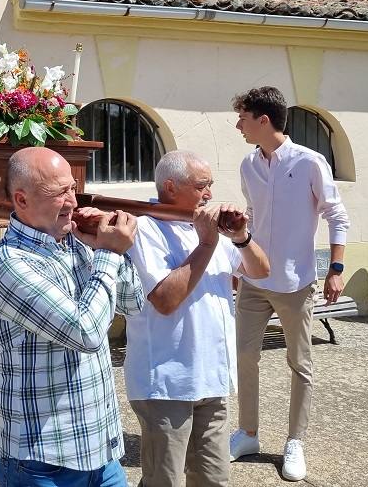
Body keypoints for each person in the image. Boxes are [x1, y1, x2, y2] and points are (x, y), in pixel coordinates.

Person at [0, 147, 144, 487]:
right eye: (59, 193)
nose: (72, 201)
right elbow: (85, 332)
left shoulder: (77, 242)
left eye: (72, 188)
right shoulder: (11, 264)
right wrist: (108, 252)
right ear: (22, 200)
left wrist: (105, 246)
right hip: (43, 462)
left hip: (99, 451)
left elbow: (134, 302)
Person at [125, 151, 269, 487]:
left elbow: (261, 270)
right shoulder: (145, 229)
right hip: (166, 383)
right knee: (165, 481)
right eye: (202, 186)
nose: (209, 194)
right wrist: (206, 244)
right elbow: (165, 299)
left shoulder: (208, 227)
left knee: (213, 480)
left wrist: (241, 237)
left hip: (212, 379)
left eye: (210, 186)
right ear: (172, 187)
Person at [229, 87, 350, 481]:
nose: (238, 126)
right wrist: (237, 262)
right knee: (245, 357)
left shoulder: (310, 162)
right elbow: (250, 214)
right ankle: (247, 432)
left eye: (243, 119)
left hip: (297, 284)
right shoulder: (248, 164)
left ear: (264, 121)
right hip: (253, 281)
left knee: (300, 364)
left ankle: (295, 441)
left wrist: (335, 267)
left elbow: (337, 215)